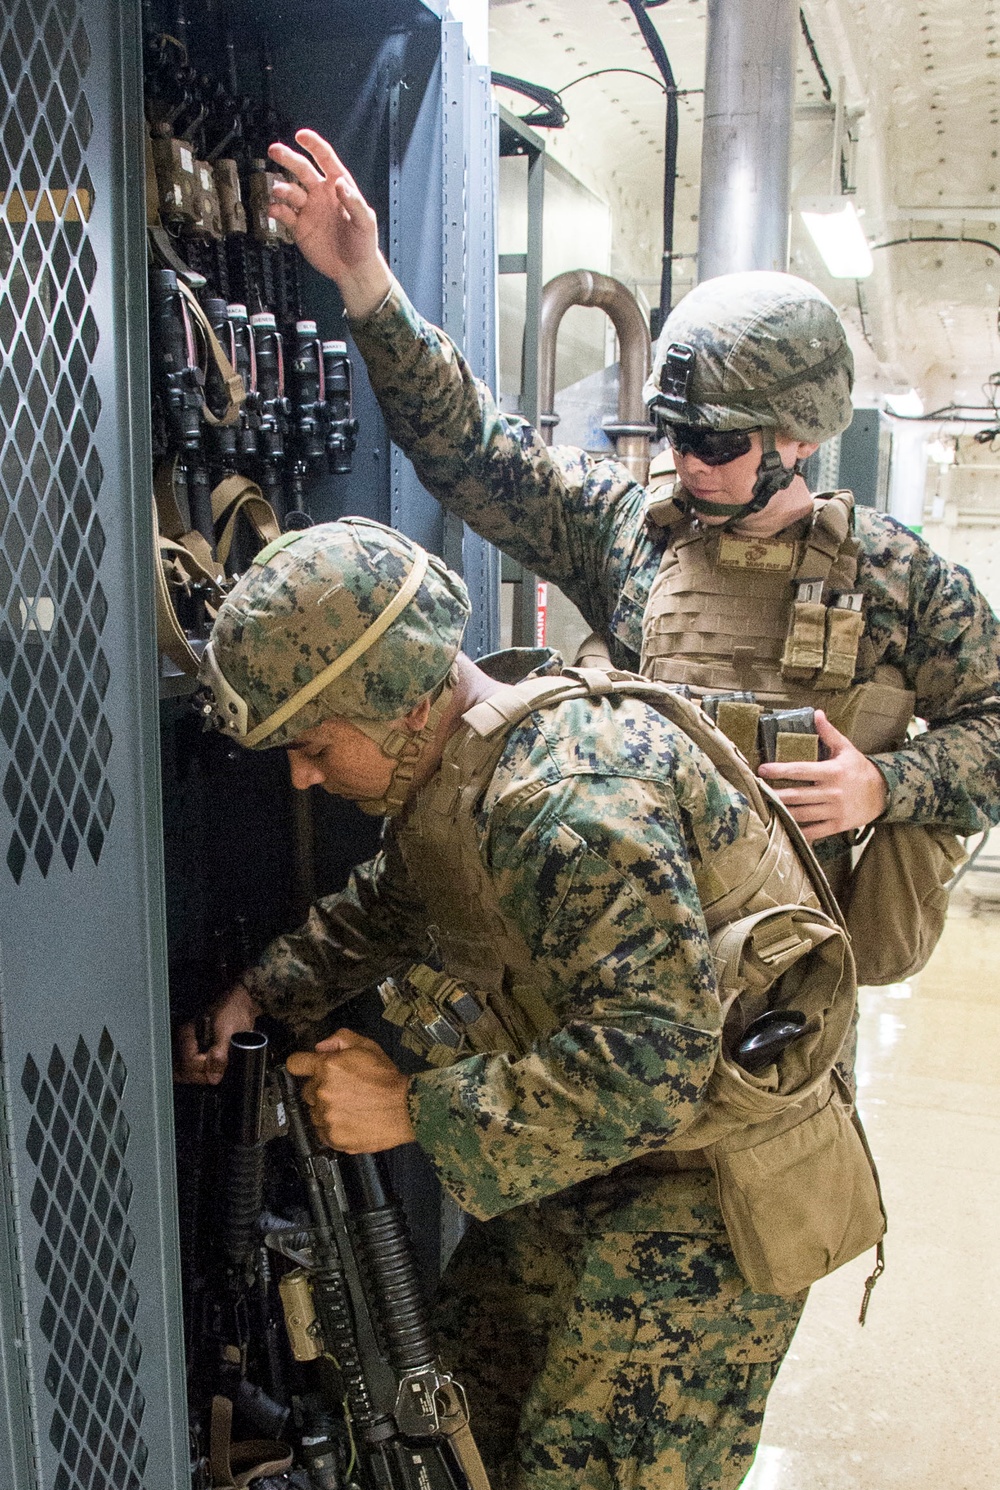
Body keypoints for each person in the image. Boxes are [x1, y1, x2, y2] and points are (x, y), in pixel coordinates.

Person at [176, 514, 882, 1490]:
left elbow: (656, 1057)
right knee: (478, 1406)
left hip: (715, 1183)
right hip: (609, 1157)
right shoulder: (463, 758)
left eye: (317, 741)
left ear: (394, 705)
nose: (307, 771)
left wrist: (412, 1111)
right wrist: (272, 986)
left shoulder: (572, 804)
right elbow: (405, 892)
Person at [258, 130, 1000, 945]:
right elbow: (468, 449)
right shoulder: (626, 524)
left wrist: (884, 787)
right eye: (676, 433)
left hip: (792, 966)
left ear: (801, 435)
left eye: (718, 443)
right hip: (623, 943)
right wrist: (365, 280)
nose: (689, 463)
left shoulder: (899, 577)